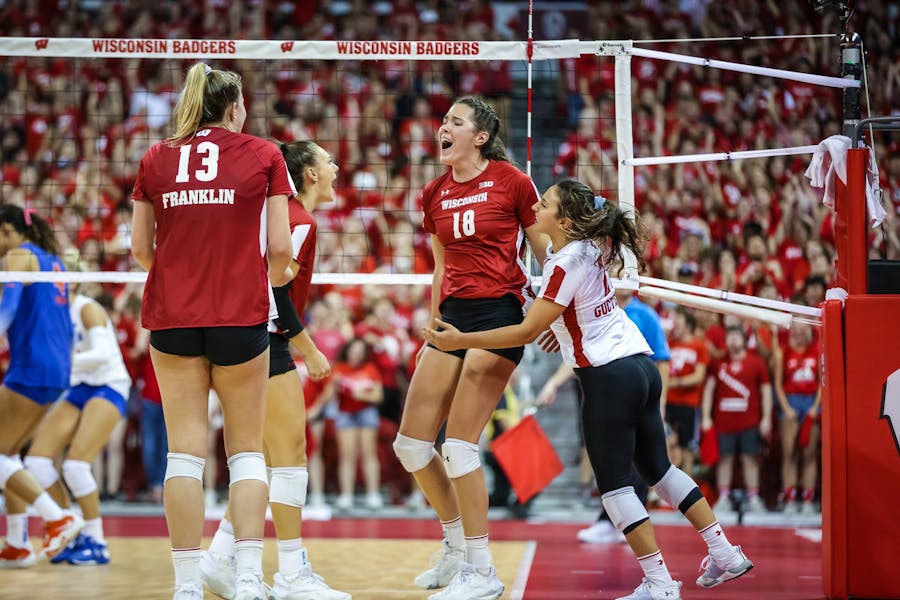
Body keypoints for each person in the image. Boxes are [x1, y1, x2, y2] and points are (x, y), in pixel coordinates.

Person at [425, 180, 753, 600]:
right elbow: (560, 308)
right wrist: (555, 326)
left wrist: (460, 341)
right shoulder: (587, 250)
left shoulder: (565, 264)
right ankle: (724, 552)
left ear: (563, 220)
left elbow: (527, 329)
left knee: (615, 487)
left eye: (544, 203)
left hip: (608, 377)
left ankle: (659, 583)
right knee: (660, 470)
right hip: (641, 365)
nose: (536, 206)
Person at [131, 62, 294, 600]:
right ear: (234, 107)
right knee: (246, 454)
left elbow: (139, 251)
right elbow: (279, 251)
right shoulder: (265, 154)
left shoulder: (155, 157)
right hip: (239, 316)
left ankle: (185, 586)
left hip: (172, 317)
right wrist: (253, 279)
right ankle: (248, 579)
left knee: (184, 456)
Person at [391, 95, 546, 600]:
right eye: (443, 121)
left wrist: (553, 315)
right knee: (411, 445)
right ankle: (455, 548)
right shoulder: (434, 192)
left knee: (458, 445)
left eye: (455, 122)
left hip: (500, 312)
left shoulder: (513, 182)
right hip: (452, 318)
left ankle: (482, 572)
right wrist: (432, 327)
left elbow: (548, 253)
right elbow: (440, 267)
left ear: (479, 137)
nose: (443, 127)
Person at [199, 140, 350, 600]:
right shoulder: (298, 221)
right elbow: (276, 295)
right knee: (290, 462)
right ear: (308, 174)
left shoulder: (271, 215)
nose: (335, 167)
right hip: (268, 341)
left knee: (261, 463)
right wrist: (310, 350)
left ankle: (218, 560)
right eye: (327, 162)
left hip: (238, 338)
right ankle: (291, 574)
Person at [5, 282, 132, 567]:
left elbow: (102, 354)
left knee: (75, 465)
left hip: (109, 384)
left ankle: (97, 542)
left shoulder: (86, 308)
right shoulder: (51, 314)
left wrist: (60, 361)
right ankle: (70, 531)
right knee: (37, 461)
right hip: (78, 386)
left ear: (70, 283)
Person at [0, 205, 83, 566]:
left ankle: (58, 518)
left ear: (7, 230)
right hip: (57, 368)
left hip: (32, 365)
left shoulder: (18, 255)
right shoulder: (54, 261)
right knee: (8, 455)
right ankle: (17, 542)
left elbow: (9, 305)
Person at [701, 326, 773, 514]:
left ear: (744, 340)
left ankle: (753, 497)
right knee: (725, 459)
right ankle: (723, 497)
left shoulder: (756, 362)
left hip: (750, 421)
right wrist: (706, 417)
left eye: (736, 336)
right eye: (729, 337)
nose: (732, 340)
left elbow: (766, 391)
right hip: (723, 422)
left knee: (750, 459)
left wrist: (766, 418)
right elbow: (709, 390)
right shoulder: (718, 363)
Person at [772, 319, 820, 514]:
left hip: (811, 401)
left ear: (809, 330)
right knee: (789, 452)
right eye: (796, 329)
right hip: (791, 400)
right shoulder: (783, 352)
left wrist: (815, 408)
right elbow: (778, 384)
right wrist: (786, 408)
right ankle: (790, 499)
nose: (800, 332)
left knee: (809, 453)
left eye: (803, 329)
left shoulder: (817, 350)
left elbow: (822, 382)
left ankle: (808, 500)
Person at [665, 307, 710, 476]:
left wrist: (674, 383)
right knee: (666, 443)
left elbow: (699, 376)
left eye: (679, 321)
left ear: (689, 325)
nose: (675, 324)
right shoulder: (669, 343)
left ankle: (688, 487)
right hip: (669, 401)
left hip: (689, 403)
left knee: (687, 446)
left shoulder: (699, 346)